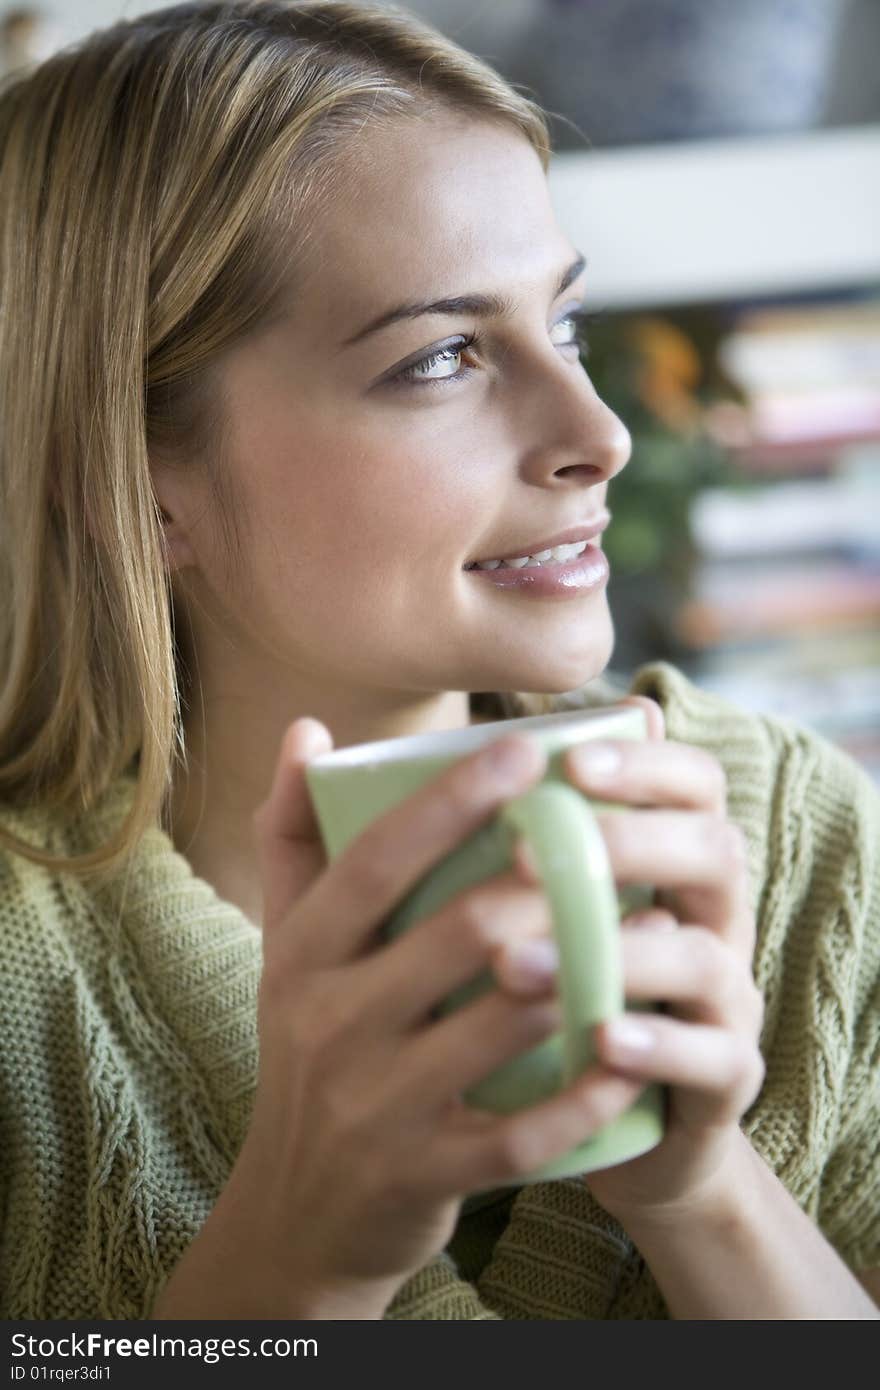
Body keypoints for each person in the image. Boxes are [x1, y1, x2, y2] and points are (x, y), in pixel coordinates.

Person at [0, 1, 877, 1322]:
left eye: (563, 327)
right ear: (138, 480)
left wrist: (704, 1191)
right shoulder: (30, 995)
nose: (599, 434)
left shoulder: (810, 851)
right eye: (444, 356)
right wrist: (308, 1251)